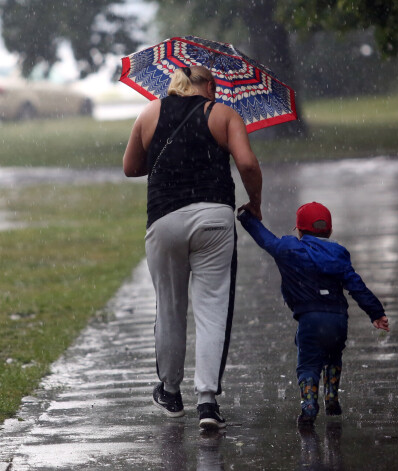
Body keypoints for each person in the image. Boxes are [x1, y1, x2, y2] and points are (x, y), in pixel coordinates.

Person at [122, 65, 263, 430]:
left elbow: (130, 167)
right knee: (212, 307)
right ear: (212, 86)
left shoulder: (150, 112)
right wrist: (256, 202)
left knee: (170, 307)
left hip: (164, 219)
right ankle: (207, 402)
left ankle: (170, 392)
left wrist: (165, 162)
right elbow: (246, 163)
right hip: (214, 217)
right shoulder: (223, 114)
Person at [237, 201, 389, 426]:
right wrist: (376, 312)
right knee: (333, 355)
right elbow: (356, 285)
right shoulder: (338, 254)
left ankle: (309, 405)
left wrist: (246, 217)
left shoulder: (289, 250)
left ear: (298, 230)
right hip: (338, 320)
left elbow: (265, 239)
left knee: (308, 363)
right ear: (329, 231)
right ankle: (331, 396)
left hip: (310, 319)